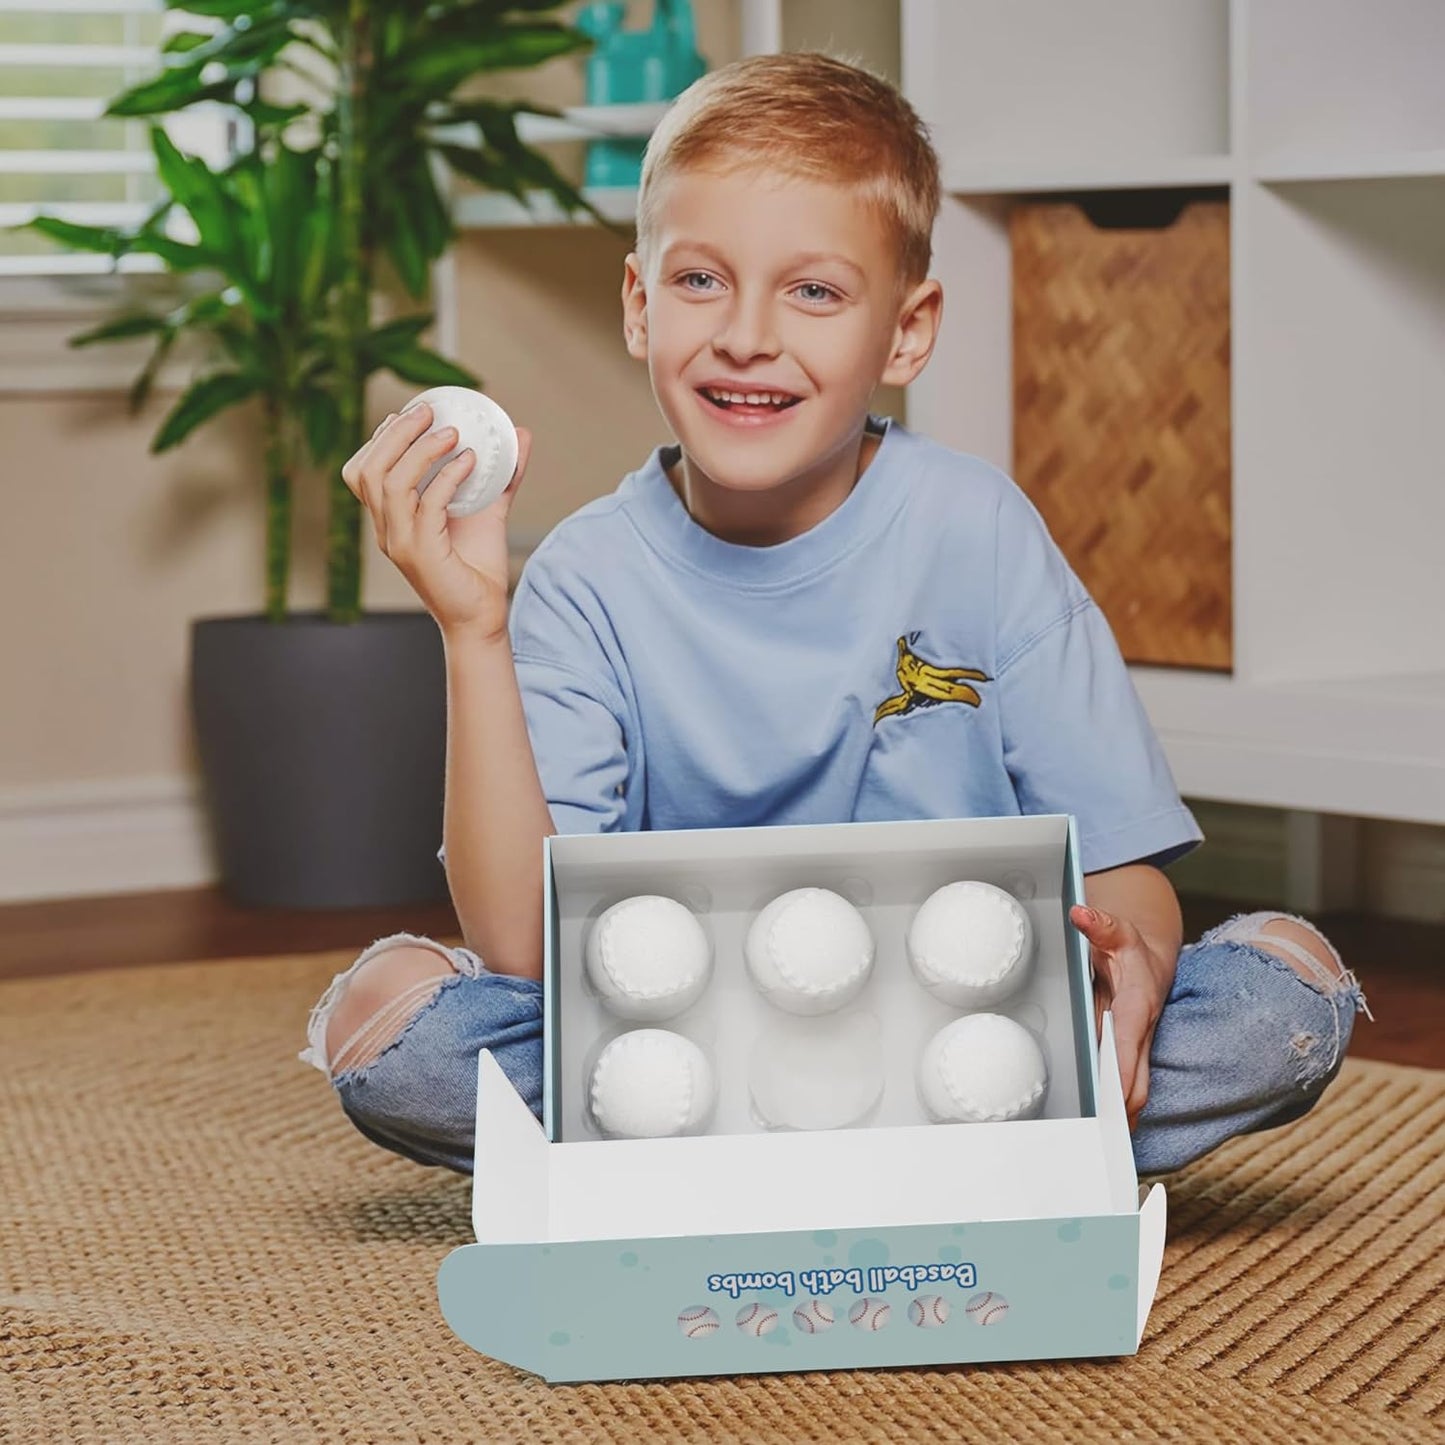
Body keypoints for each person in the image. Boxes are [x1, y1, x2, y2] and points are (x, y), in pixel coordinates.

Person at [298, 52, 1367, 1176]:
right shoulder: (581, 580)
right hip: (679, 1057)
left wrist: (1133, 962)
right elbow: (523, 951)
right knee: (393, 1033)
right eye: (700, 281)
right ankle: (940, 1164)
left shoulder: (977, 531)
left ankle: (751, 1171)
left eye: (812, 292)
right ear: (638, 301)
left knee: (1273, 994)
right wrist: (472, 630)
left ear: (905, 333)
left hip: (971, 1034)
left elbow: (1119, 862)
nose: (746, 335)